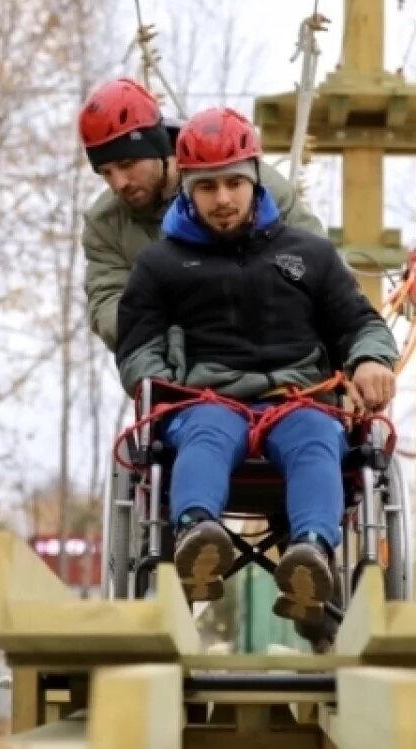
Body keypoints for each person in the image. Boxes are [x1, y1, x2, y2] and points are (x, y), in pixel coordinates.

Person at [115, 106, 398, 631]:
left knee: (317, 434)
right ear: (188, 192)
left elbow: (360, 322)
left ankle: (311, 556)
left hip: (296, 400)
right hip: (205, 399)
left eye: (233, 184)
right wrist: (157, 387)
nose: (223, 200)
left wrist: (371, 358)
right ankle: (199, 538)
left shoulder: (309, 255)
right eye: (208, 188)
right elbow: (137, 346)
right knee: (205, 432)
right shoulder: (162, 266)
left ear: (254, 180)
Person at [79, 78, 327, 352]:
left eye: (127, 164)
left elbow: (319, 270)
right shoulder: (105, 224)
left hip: (284, 358)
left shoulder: (248, 183)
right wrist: (189, 335)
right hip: (177, 376)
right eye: (106, 172)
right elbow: (108, 306)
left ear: (160, 148)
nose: (119, 183)